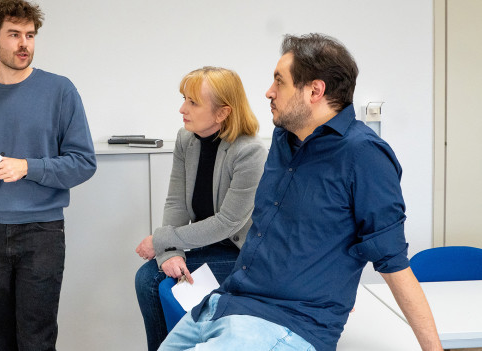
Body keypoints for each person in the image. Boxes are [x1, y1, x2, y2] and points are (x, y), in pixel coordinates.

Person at [159, 34, 443, 351]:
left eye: (279, 82)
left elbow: (394, 263)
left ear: (315, 90)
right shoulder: (284, 137)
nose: (268, 92)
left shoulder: (365, 156)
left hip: (285, 325)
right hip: (225, 304)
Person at [0, 0, 96, 351]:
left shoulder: (60, 91)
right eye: (15, 34)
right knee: (4, 341)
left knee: (36, 341)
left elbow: (83, 162)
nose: (24, 44)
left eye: (30, 35)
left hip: (41, 234)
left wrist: (28, 167)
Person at [134, 67, 267, 351]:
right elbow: (176, 203)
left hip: (247, 256)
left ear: (222, 113)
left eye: (193, 102)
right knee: (151, 277)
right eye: (184, 98)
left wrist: (160, 240)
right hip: (210, 247)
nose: (182, 108)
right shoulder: (186, 139)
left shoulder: (250, 151)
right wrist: (170, 252)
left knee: (150, 279)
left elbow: (228, 223)